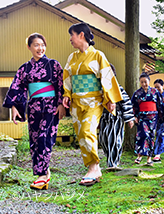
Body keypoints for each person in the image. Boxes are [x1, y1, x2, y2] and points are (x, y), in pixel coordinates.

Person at [62, 22, 122, 186]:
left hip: (93, 101)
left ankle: (94, 167)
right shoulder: (72, 57)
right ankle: (92, 167)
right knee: (81, 134)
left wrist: (110, 99)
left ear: (81, 35)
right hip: (76, 102)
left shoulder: (98, 56)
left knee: (88, 130)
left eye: (72, 35)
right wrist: (66, 94)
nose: (70, 39)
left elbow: (107, 77)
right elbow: (67, 77)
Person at [3, 33, 65, 190]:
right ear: (29, 47)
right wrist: (15, 107)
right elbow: (17, 87)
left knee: (45, 137)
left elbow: (61, 85)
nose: (40, 48)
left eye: (42, 44)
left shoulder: (54, 64)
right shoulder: (24, 68)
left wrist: (61, 104)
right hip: (33, 108)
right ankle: (43, 174)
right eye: (36, 45)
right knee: (35, 140)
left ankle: (43, 175)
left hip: (51, 107)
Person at [99, 64, 135, 171]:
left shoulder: (117, 87)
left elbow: (126, 102)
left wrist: (129, 118)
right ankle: (110, 159)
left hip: (116, 117)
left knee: (114, 139)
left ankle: (113, 163)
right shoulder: (99, 89)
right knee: (103, 139)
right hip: (103, 117)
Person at [131, 73, 164, 166]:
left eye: (145, 82)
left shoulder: (155, 91)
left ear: (149, 81)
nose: (143, 84)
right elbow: (134, 106)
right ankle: (139, 156)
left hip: (153, 117)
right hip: (142, 117)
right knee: (142, 135)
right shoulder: (137, 93)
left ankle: (149, 158)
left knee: (151, 136)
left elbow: (161, 103)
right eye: (142, 82)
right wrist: (134, 116)